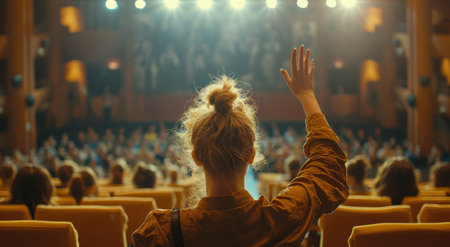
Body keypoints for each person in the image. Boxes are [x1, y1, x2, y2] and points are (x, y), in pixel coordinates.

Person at [132, 45, 348, 246]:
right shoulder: (282, 219)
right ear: (252, 155)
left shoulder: (162, 231)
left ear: (196, 156)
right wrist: (307, 95)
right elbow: (328, 167)